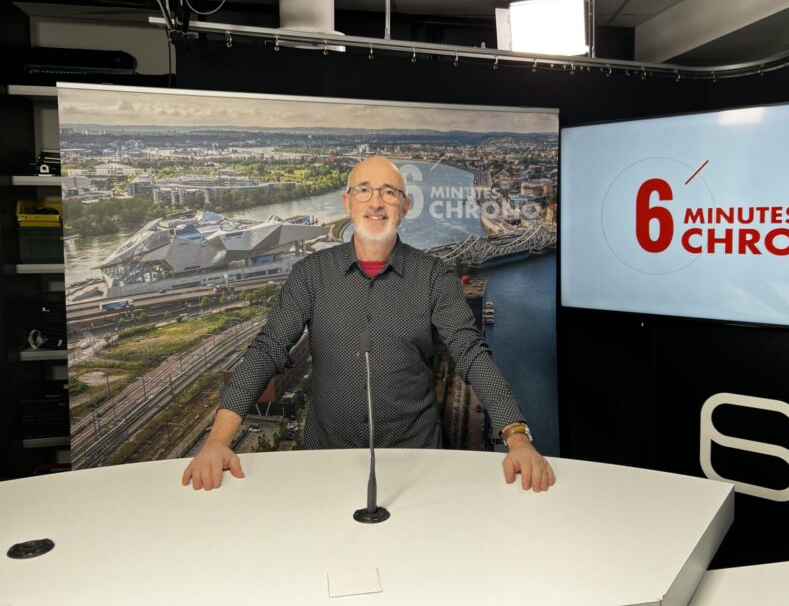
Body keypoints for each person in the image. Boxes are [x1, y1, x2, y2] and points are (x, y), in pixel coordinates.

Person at [182, 156, 555, 493]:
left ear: (405, 207)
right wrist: (217, 442)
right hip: (325, 462)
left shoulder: (434, 277)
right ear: (347, 202)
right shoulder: (310, 275)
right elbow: (267, 350)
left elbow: (471, 354)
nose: (376, 202)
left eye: (389, 193)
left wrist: (517, 437)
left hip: (417, 466)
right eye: (364, 190)